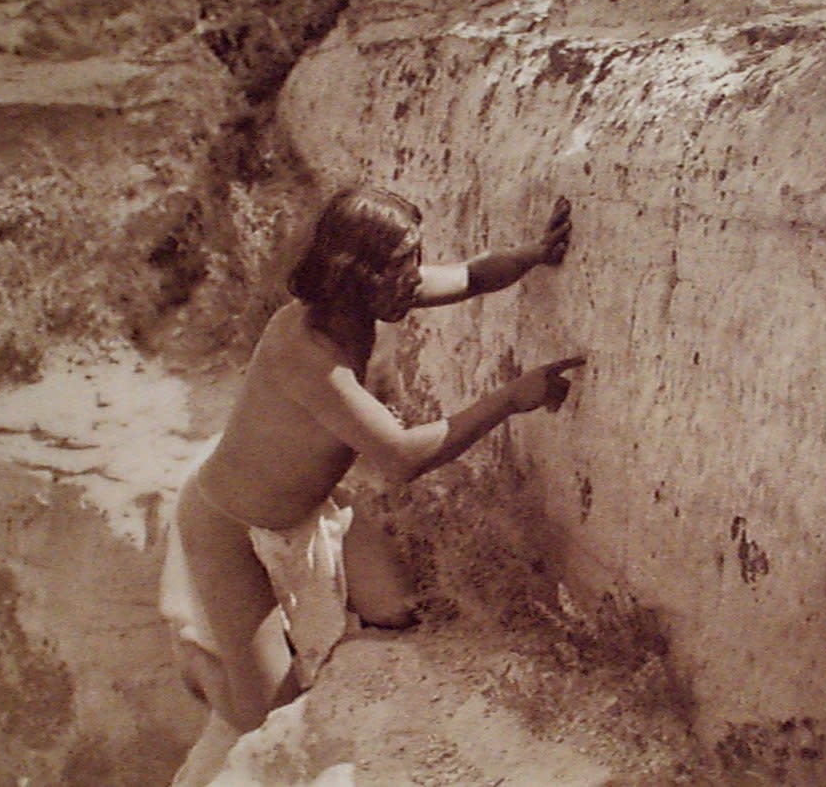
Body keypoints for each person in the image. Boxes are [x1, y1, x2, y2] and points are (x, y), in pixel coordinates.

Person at [159, 185, 584, 786]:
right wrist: (512, 398)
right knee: (266, 713)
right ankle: (195, 658)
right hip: (230, 527)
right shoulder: (306, 349)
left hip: (314, 506)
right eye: (404, 262)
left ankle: (282, 625)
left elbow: (471, 275)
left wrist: (536, 253)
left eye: (416, 257)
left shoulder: (369, 301)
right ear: (356, 274)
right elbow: (401, 458)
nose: (417, 274)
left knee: (397, 610)